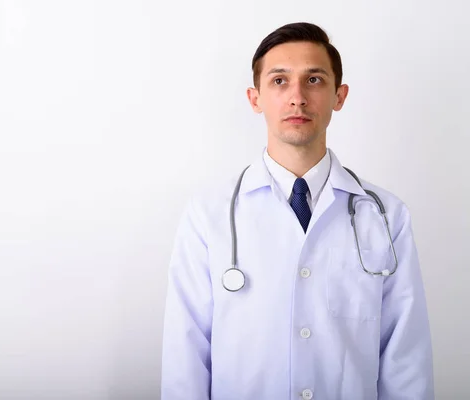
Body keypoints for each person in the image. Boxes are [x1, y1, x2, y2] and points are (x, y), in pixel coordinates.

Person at [160, 22, 434, 400]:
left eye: (315, 80)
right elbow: (185, 358)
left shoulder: (387, 216)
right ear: (254, 99)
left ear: (340, 96)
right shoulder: (208, 216)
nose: (297, 97)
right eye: (279, 81)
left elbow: (405, 359)